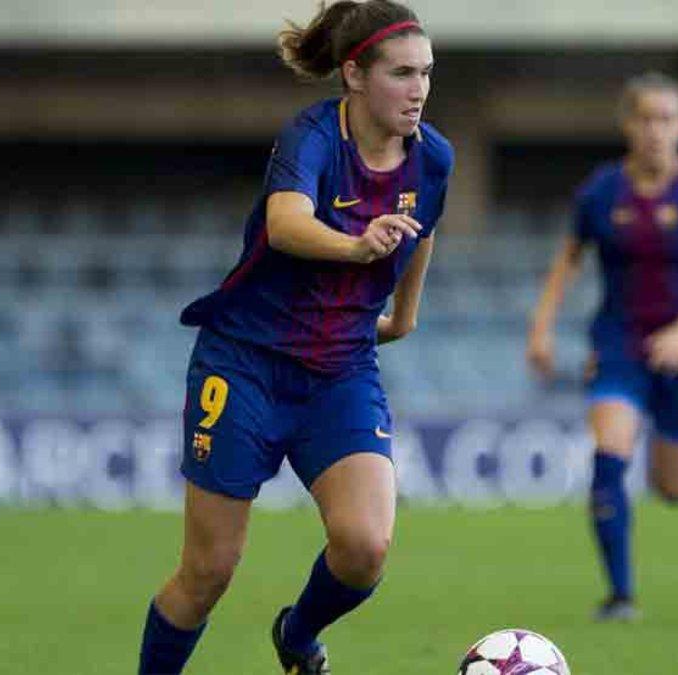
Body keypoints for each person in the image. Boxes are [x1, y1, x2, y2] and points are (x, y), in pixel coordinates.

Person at [137, 2, 450, 673]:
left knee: (366, 545)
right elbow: (285, 224)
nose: (419, 88)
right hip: (244, 363)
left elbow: (422, 229)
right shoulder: (311, 137)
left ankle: (297, 633)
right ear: (356, 76)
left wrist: (406, 311)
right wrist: (357, 246)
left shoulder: (435, 157)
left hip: (340, 369)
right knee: (209, 569)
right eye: (402, 73)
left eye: (426, 73)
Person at [527, 71, 678, 622]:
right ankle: (620, 596)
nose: (655, 131)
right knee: (609, 458)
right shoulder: (602, 192)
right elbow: (569, 258)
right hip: (618, 343)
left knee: (673, 488)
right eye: (646, 119)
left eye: (667, 119)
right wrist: (542, 328)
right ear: (628, 124)